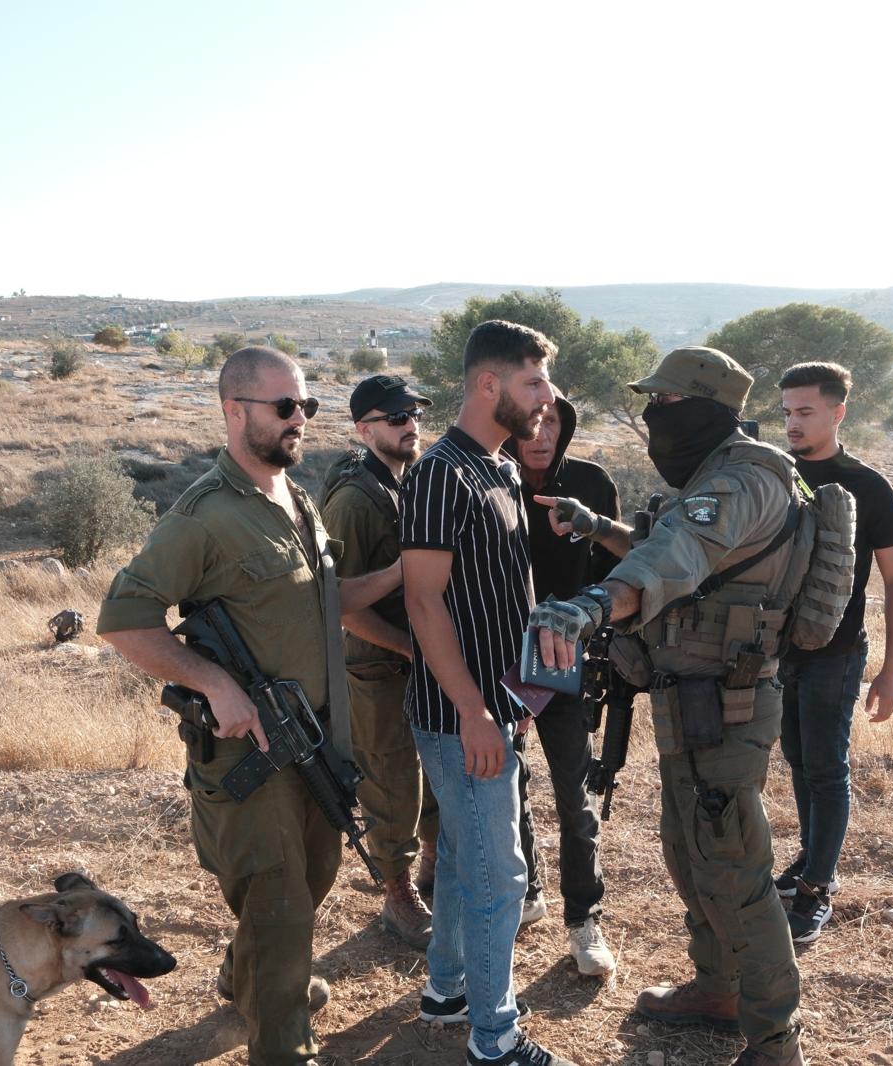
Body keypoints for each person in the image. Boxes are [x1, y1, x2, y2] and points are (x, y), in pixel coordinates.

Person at [98, 346, 404, 1066]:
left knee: (312, 883)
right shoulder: (203, 517)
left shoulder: (296, 498)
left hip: (317, 749)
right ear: (236, 412)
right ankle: (282, 1038)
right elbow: (124, 618)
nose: (302, 420)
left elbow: (328, 603)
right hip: (250, 765)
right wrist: (215, 683)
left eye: (308, 407)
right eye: (285, 407)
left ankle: (252, 981)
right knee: (281, 912)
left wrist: (399, 572)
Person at [528, 346, 807, 1066]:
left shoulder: (744, 478)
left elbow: (673, 559)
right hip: (693, 695)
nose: (654, 414)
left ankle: (776, 1040)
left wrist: (594, 601)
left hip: (729, 700)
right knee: (689, 851)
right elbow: (675, 549)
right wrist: (598, 528)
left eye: (667, 403)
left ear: (711, 407)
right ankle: (717, 990)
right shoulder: (717, 473)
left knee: (736, 868)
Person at [400, 320, 578, 1066]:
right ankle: (495, 1037)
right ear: (488, 384)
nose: (548, 398)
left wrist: (516, 701)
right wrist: (475, 712)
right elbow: (423, 602)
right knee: (500, 873)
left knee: (471, 862)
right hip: (456, 715)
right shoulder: (442, 471)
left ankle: (447, 990)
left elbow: (500, 599)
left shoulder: (500, 469)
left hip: (495, 708)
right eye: (534, 382)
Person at [773, 361, 893, 945]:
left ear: (839, 411)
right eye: (786, 413)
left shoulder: (868, 484)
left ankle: (818, 887)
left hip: (836, 653)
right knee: (798, 759)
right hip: (778, 651)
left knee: (827, 767)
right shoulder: (771, 474)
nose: (793, 424)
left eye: (805, 412)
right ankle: (811, 858)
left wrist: (891, 671)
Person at [320, 373, 439, 949]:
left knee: (434, 777)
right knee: (391, 784)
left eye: (414, 415)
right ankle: (398, 895)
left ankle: (434, 873)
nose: (409, 425)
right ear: (364, 429)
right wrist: (413, 648)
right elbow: (340, 605)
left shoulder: (404, 481)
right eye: (396, 418)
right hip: (376, 667)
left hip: (414, 661)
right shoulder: (353, 500)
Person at [502, 387, 617, 976]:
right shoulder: (489, 483)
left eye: (554, 422)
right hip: (500, 663)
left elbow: (615, 577)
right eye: (532, 422)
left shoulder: (592, 485)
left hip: (568, 665)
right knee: (508, 782)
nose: (542, 434)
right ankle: (527, 893)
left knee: (575, 796)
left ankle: (584, 919)